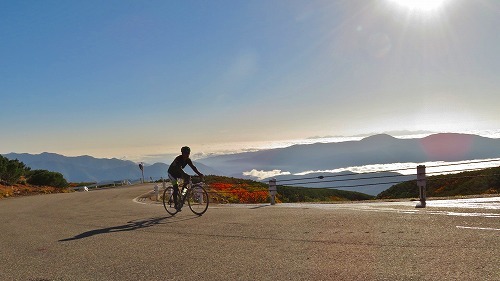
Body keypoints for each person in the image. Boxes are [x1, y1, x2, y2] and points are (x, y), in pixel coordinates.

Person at [168, 146, 204, 210]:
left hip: (178, 173)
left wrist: (199, 174)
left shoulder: (188, 159)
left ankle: (183, 194)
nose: (187, 155)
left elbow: (193, 167)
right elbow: (179, 169)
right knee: (175, 188)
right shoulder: (178, 159)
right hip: (172, 174)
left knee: (187, 181)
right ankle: (176, 204)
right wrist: (185, 175)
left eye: (188, 153)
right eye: (185, 153)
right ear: (182, 153)